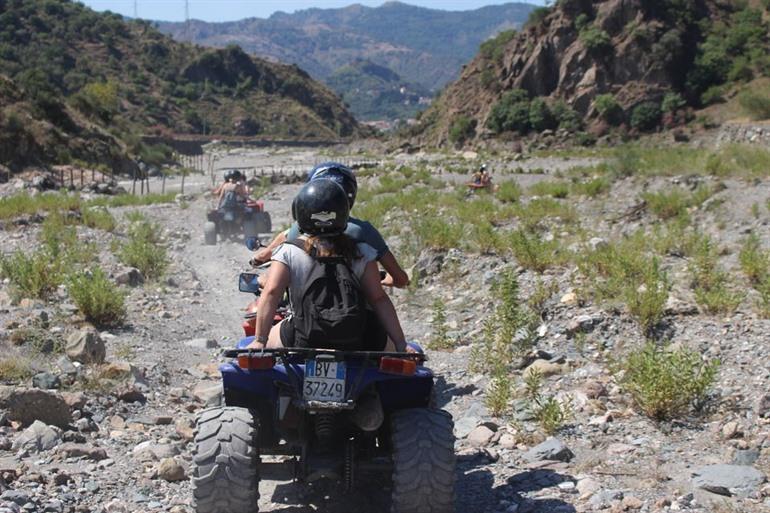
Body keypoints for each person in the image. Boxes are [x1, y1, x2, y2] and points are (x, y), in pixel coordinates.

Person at [246, 179, 408, 352]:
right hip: (359, 339)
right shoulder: (362, 252)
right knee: (402, 363)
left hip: (304, 337)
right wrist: (401, 344)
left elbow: (271, 293)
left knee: (256, 352)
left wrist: (260, 341)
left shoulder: (288, 251)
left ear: (301, 214)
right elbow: (379, 299)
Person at [250, 163, 410, 288]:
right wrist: (382, 280)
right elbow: (401, 280)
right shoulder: (364, 232)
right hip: (358, 319)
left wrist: (260, 266)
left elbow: (272, 282)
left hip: (305, 321)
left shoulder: (297, 231)